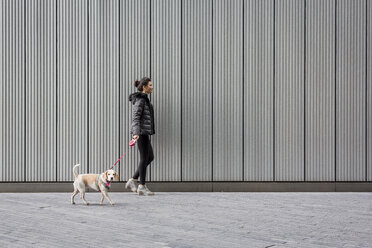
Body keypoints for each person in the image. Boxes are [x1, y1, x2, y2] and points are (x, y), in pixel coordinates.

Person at [125, 77, 155, 196]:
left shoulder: (144, 99)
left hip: (144, 132)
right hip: (141, 133)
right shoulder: (141, 100)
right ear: (144, 87)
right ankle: (141, 186)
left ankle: (132, 180)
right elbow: (136, 117)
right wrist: (136, 133)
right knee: (144, 158)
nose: (152, 87)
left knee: (150, 157)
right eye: (150, 85)